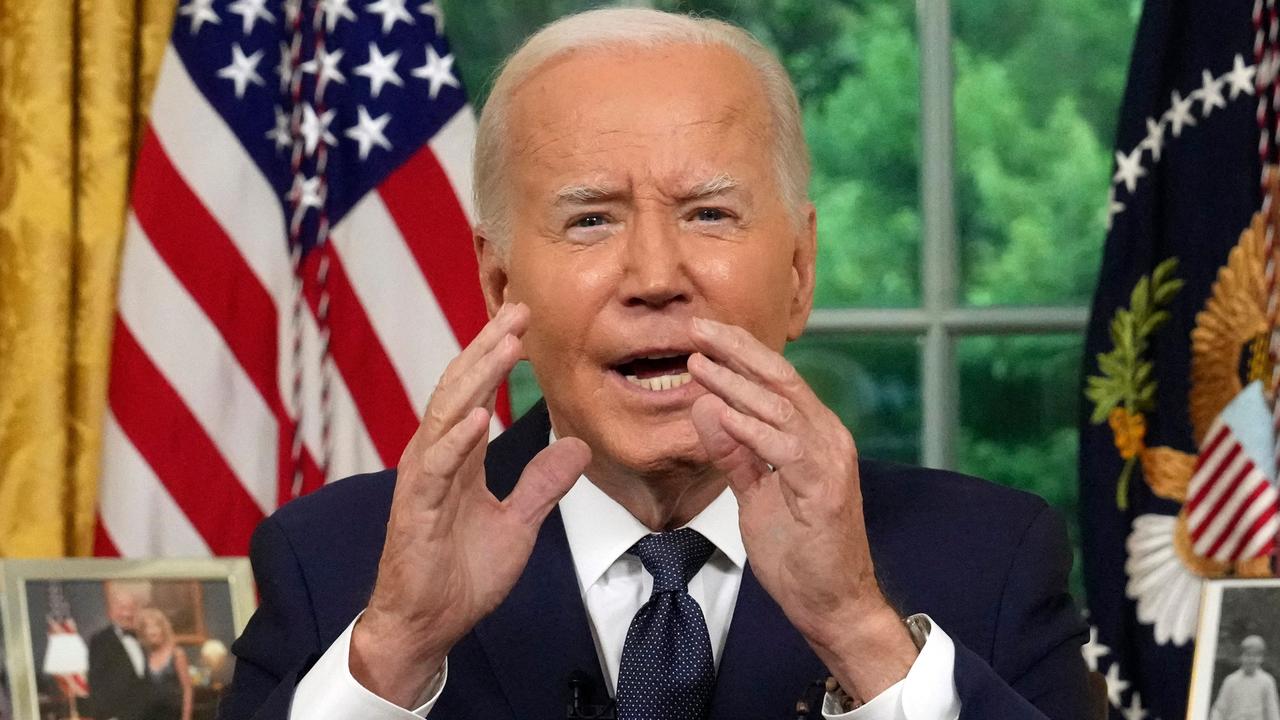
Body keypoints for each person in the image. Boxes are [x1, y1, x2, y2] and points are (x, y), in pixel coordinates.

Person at [220, 8, 1090, 720]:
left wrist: (859, 632)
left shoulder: (992, 560)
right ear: (497, 280)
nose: (655, 277)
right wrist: (395, 655)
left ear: (799, 272)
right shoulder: (334, 566)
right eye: (591, 219)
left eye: (709, 213)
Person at [88, 582, 152, 720]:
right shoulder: (100, 640)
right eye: (122, 607)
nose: (127, 613)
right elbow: (96, 683)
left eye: (132, 608)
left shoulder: (143, 638)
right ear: (111, 611)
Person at [136, 608, 193, 720]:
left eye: (155, 626)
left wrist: (186, 718)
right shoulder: (143, 656)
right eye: (148, 627)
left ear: (163, 629)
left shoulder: (177, 654)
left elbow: (187, 689)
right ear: (144, 633)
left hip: (173, 714)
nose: (152, 632)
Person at [1211, 635, 1280, 720]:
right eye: (1247, 655)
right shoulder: (1231, 681)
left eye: (1255, 656)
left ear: (1261, 658)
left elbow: (1272, 711)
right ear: (1241, 656)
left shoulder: (1267, 681)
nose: (1251, 659)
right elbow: (1220, 709)